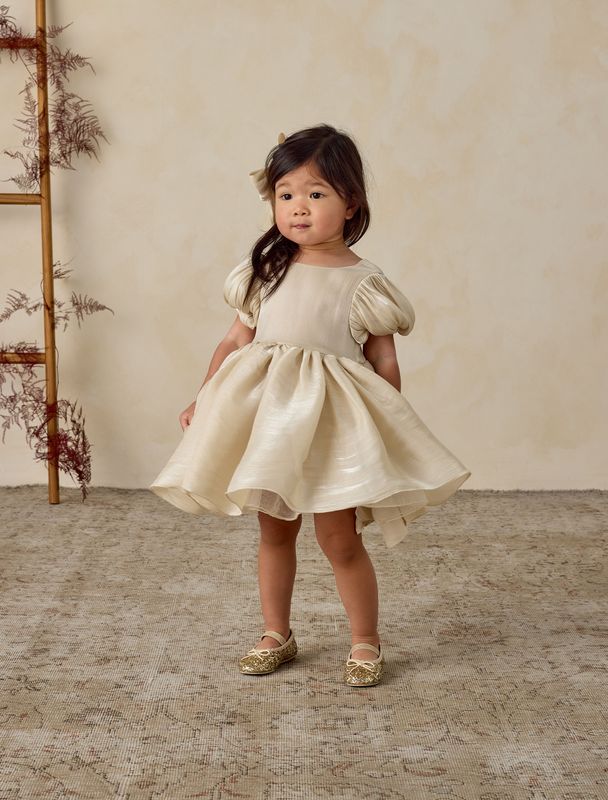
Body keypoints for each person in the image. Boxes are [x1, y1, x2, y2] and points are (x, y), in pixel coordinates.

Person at [149, 123, 471, 687]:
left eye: (316, 193)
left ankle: (365, 639)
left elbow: (383, 360)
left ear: (351, 203)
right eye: (286, 194)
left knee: (339, 539)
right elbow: (235, 340)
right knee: (275, 531)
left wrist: (382, 427)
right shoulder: (265, 272)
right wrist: (205, 394)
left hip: (331, 426)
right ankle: (276, 631)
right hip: (272, 424)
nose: (298, 207)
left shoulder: (364, 282)